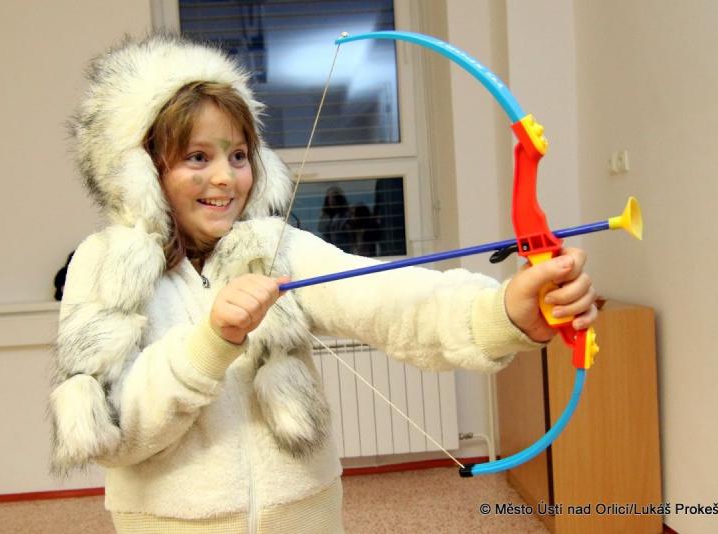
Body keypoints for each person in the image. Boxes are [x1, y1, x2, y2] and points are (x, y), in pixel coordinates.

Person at [49, 34, 597, 533]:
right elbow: (111, 433)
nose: (225, 177)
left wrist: (506, 312)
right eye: (197, 157)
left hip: (304, 515)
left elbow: (385, 299)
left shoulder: (276, 249)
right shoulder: (103, 264)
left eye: (238, 155)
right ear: (141, 171)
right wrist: (211, 342)